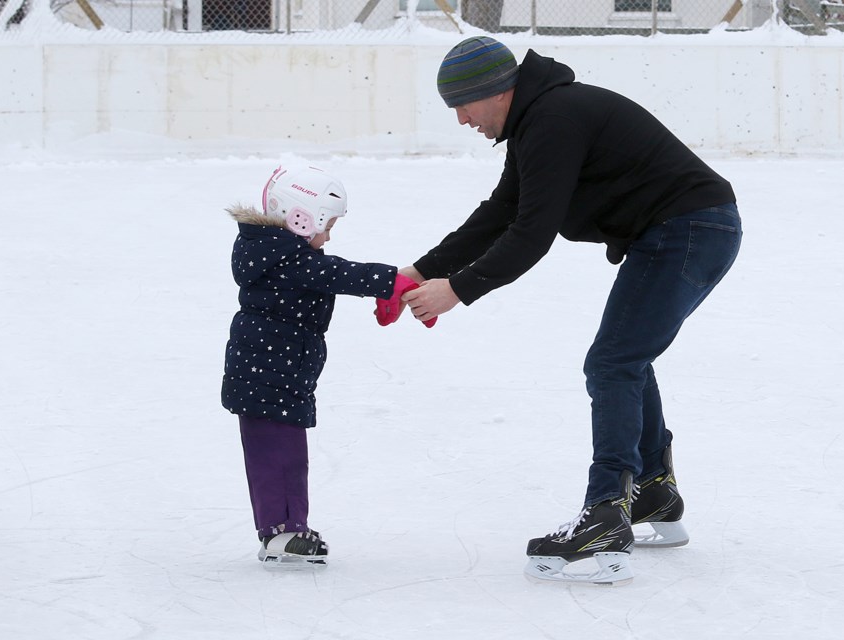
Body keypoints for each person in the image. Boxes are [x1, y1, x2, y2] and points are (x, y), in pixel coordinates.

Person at [393, 37, 742, 585]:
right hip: (691, 229)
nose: (461, 120)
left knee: (613, 362)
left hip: (688, 230)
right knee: (625, 358)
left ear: (495, 92)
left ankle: (607, 512)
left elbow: (533, 233)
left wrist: (456, 289)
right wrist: (417, 271)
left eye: (464, 105)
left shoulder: (552, 119)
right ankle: (652, 492)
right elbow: (499, 214)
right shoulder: (540, 119)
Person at [221, 163, 428, 565]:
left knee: (287, 457)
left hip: (279, 372)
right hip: (268, 376)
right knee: (277, 458)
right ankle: (282, 532)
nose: (329, 235)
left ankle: (288, 528)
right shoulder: (283, 258)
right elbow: (336, 273)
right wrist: (391, 283)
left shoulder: (277, 253)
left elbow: (329, 272)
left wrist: (387, 287)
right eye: (327, 225)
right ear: (300, 218)